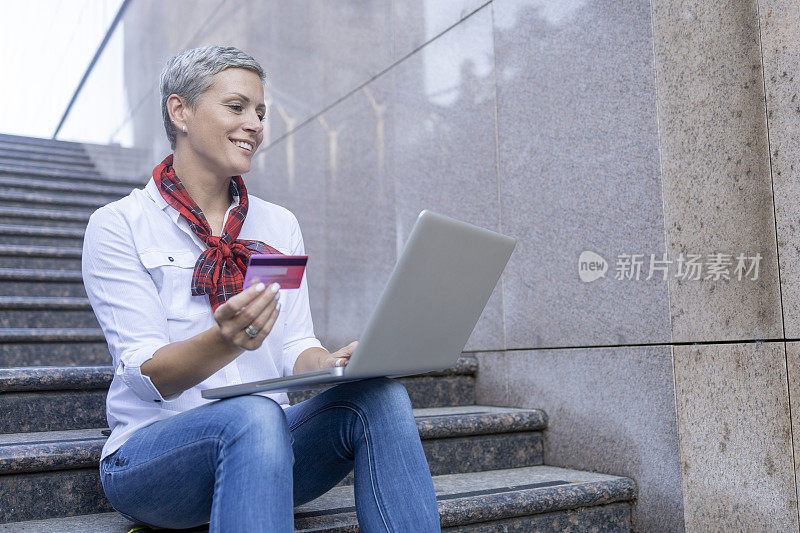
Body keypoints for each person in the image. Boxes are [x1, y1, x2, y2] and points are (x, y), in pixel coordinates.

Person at [82, 45, 441, 532]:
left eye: (261, 112)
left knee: (379, 397)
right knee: (251, 416)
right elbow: (150, 376)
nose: (255, 123)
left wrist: (335, 364)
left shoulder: (278, 224)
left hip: (269, 445)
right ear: (180, 110)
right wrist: (224, 341)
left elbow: (294, 346)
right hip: (152, 459)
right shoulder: (119, 226)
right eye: (237, 107)